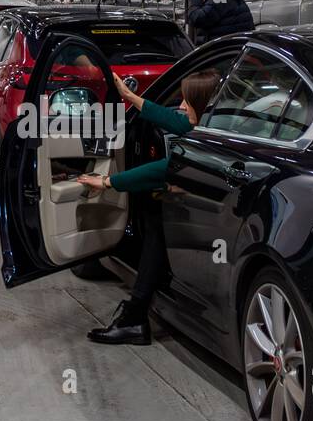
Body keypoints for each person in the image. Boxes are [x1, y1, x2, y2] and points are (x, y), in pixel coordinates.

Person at [76, 68, 222, 345]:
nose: (179, 107)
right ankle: (135, 315)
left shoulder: (213, 137)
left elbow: (167, 168)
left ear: (204, 105)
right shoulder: (217, 122)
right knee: (155, 218)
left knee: (157, 217)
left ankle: (135, 315)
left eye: (186, 101)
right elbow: (179, 123)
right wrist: (130, 96)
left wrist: (108, 181)